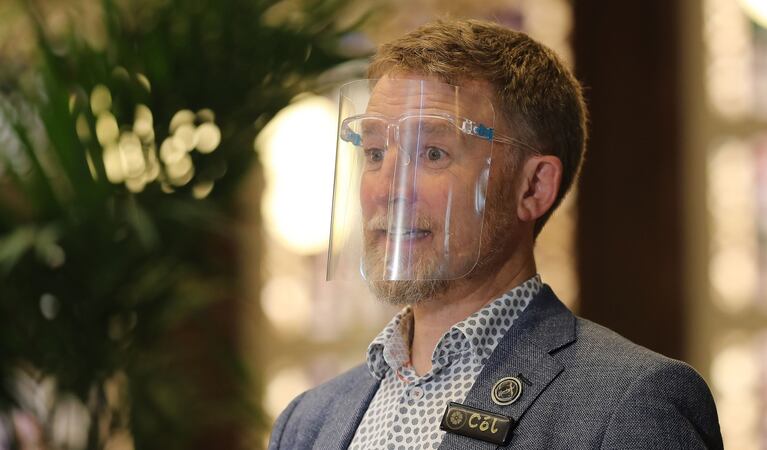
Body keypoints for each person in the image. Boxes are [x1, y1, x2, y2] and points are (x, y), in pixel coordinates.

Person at [269, 19, 723, 449]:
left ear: (533, 187)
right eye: (373, 153)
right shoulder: (309, 420)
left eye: (431, 152)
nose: (387, 189)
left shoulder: (631, 401)